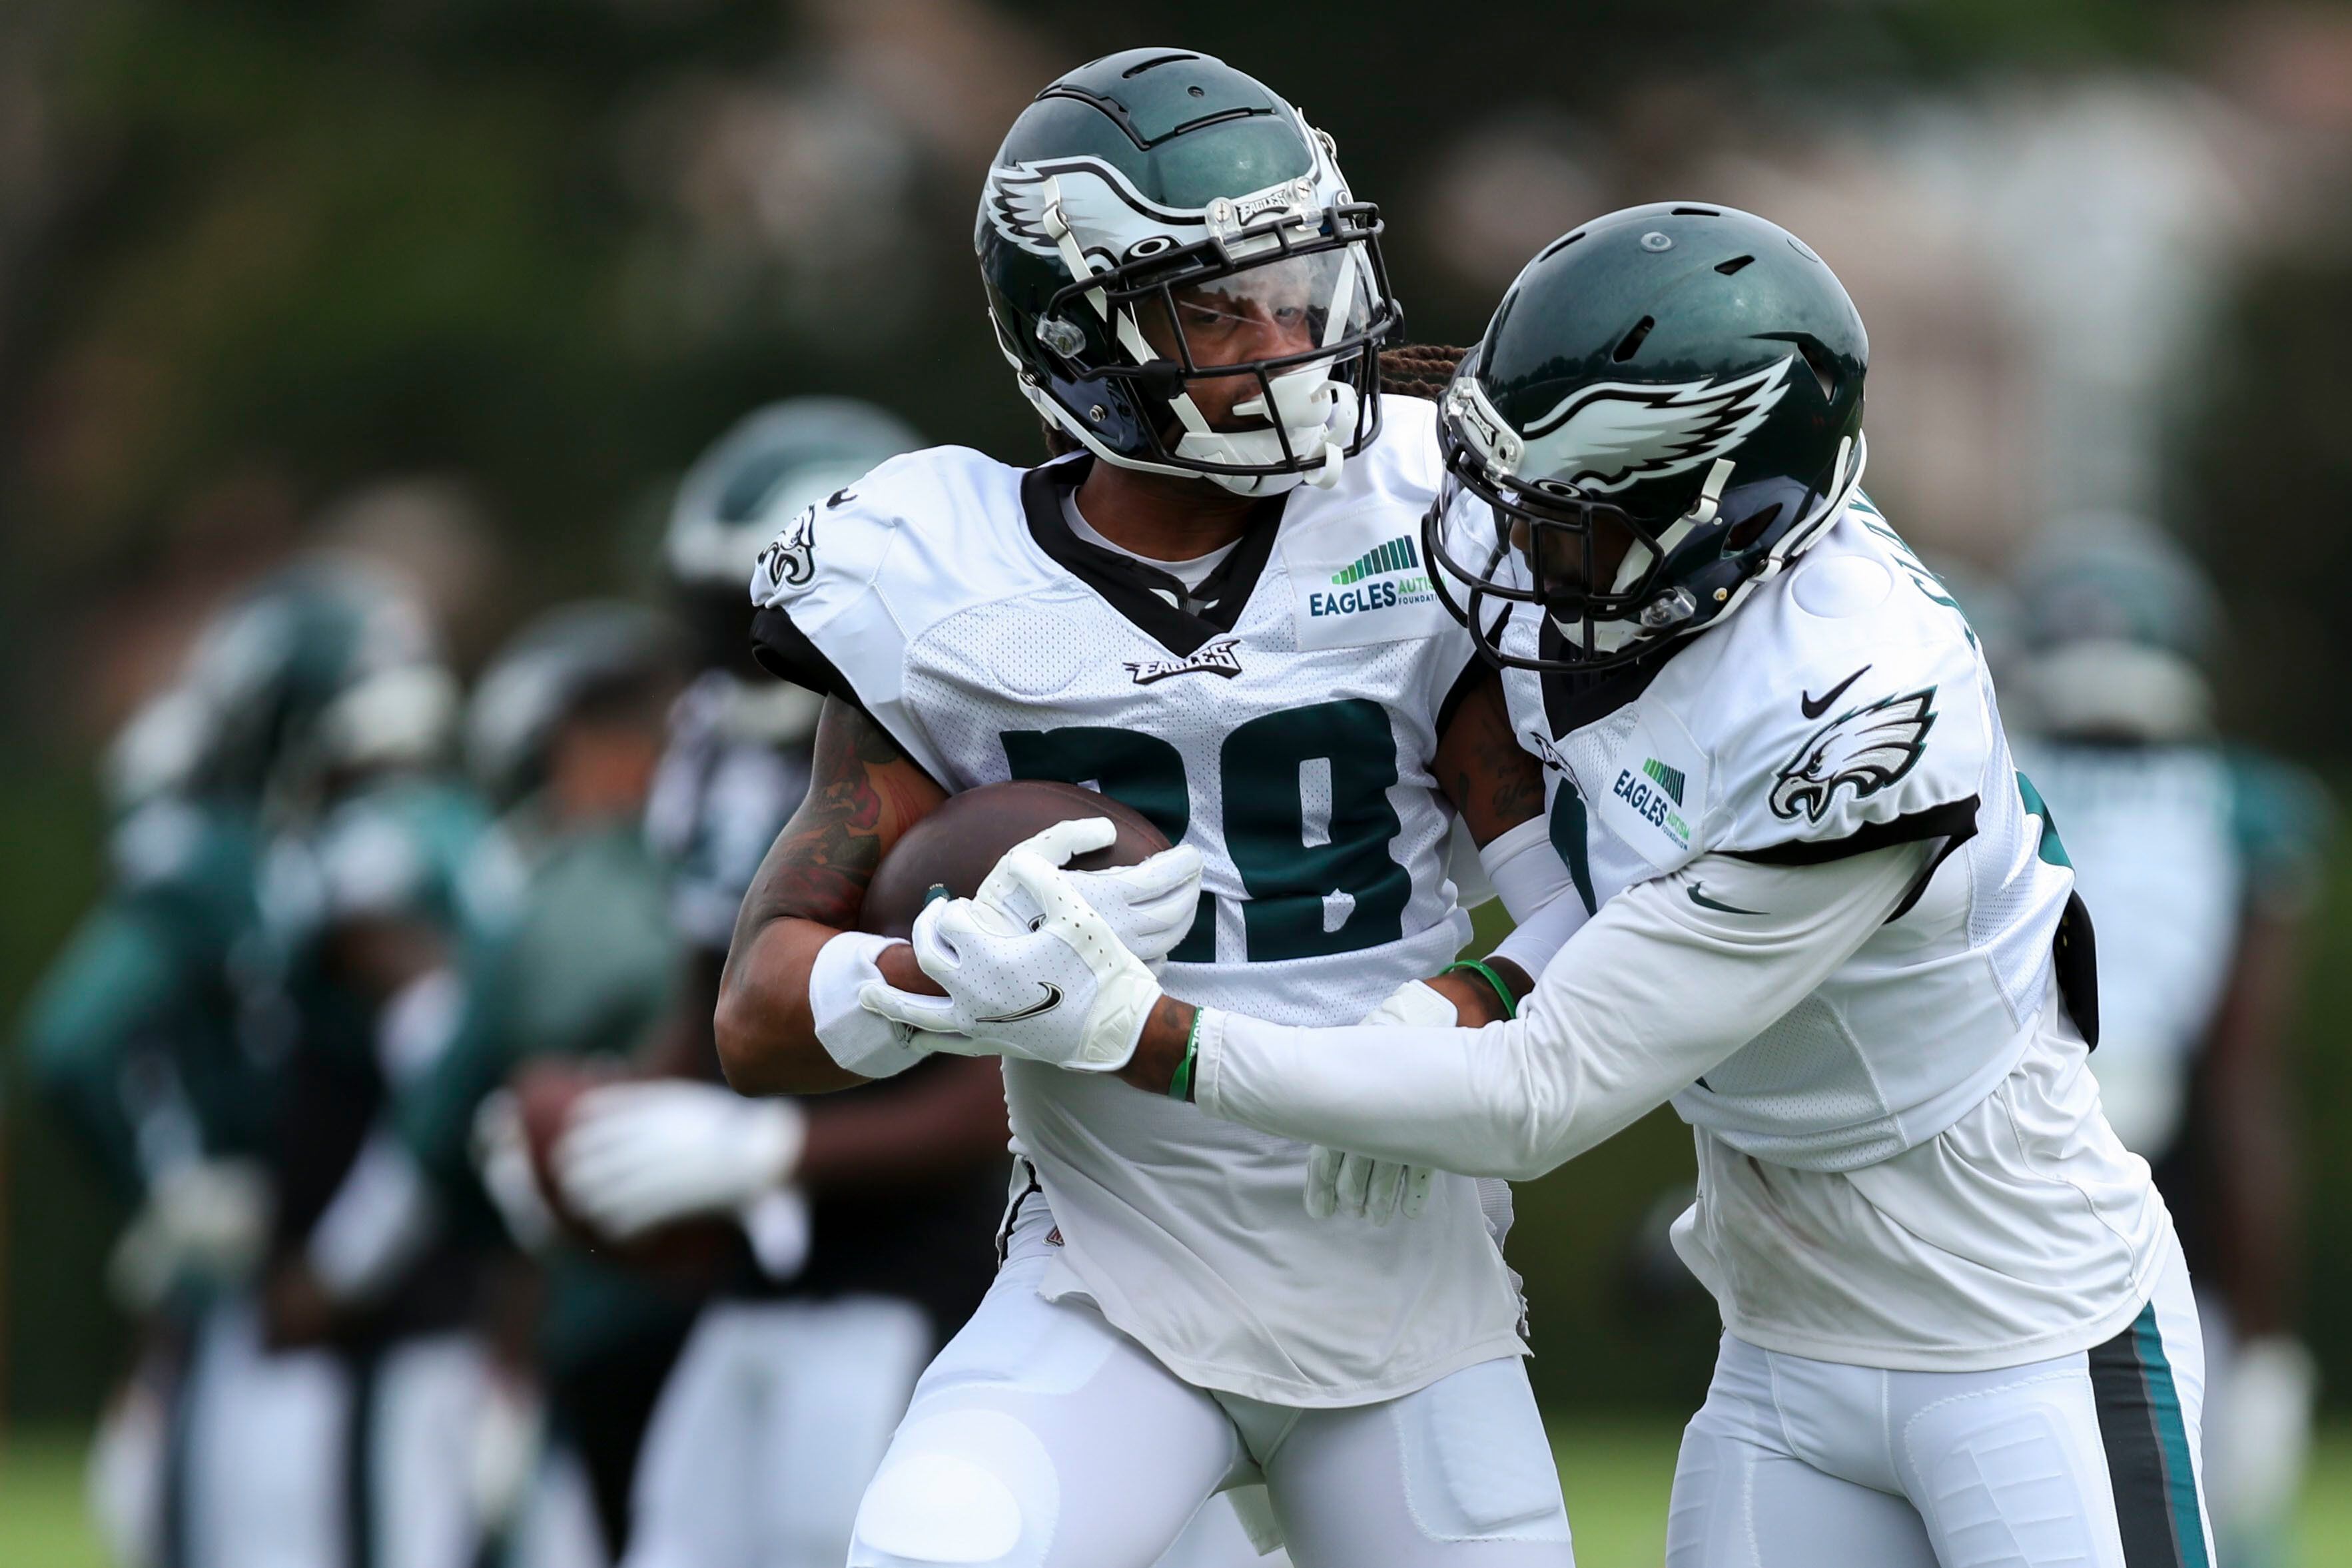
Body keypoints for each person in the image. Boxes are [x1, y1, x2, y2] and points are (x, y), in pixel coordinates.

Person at [874, 205, 2213, 1568]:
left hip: (2026, 1324)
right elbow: (1614, 920)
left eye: (1561, 515)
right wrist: (1448, 999)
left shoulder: (1850, 708)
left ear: (1717, 513)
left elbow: (1543, 1091)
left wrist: (1136, 1034)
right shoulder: (1615, 582)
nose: (1507, 547)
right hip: (1783, 1342)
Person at [715, 48, 1575, 1568]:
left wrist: (1436, 1019)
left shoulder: (1432, 508)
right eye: (1216, 305)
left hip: (1404, 1290)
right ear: (1077, 336)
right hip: (1111, 1276)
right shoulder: (932, 570)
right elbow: (759, 1012)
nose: (1284, 337)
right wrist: (937, 975)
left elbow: (1593, 917)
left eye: (1298, 284)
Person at [544, 400, 1010, 1568]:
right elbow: (716, 1003)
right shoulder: (710, 751)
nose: (731, 653)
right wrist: (610, 1123)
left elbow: (1020, 1077)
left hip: (930, 1282)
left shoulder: (969, 740)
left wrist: (771, 1155)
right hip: (758, 1285)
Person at [2010, 516, 2329, 1568]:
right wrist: (2271, 1352)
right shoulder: (2244, 805)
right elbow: (2240, 1083)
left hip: (1989, 1189)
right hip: (2167, 1217)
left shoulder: (1985, 779)